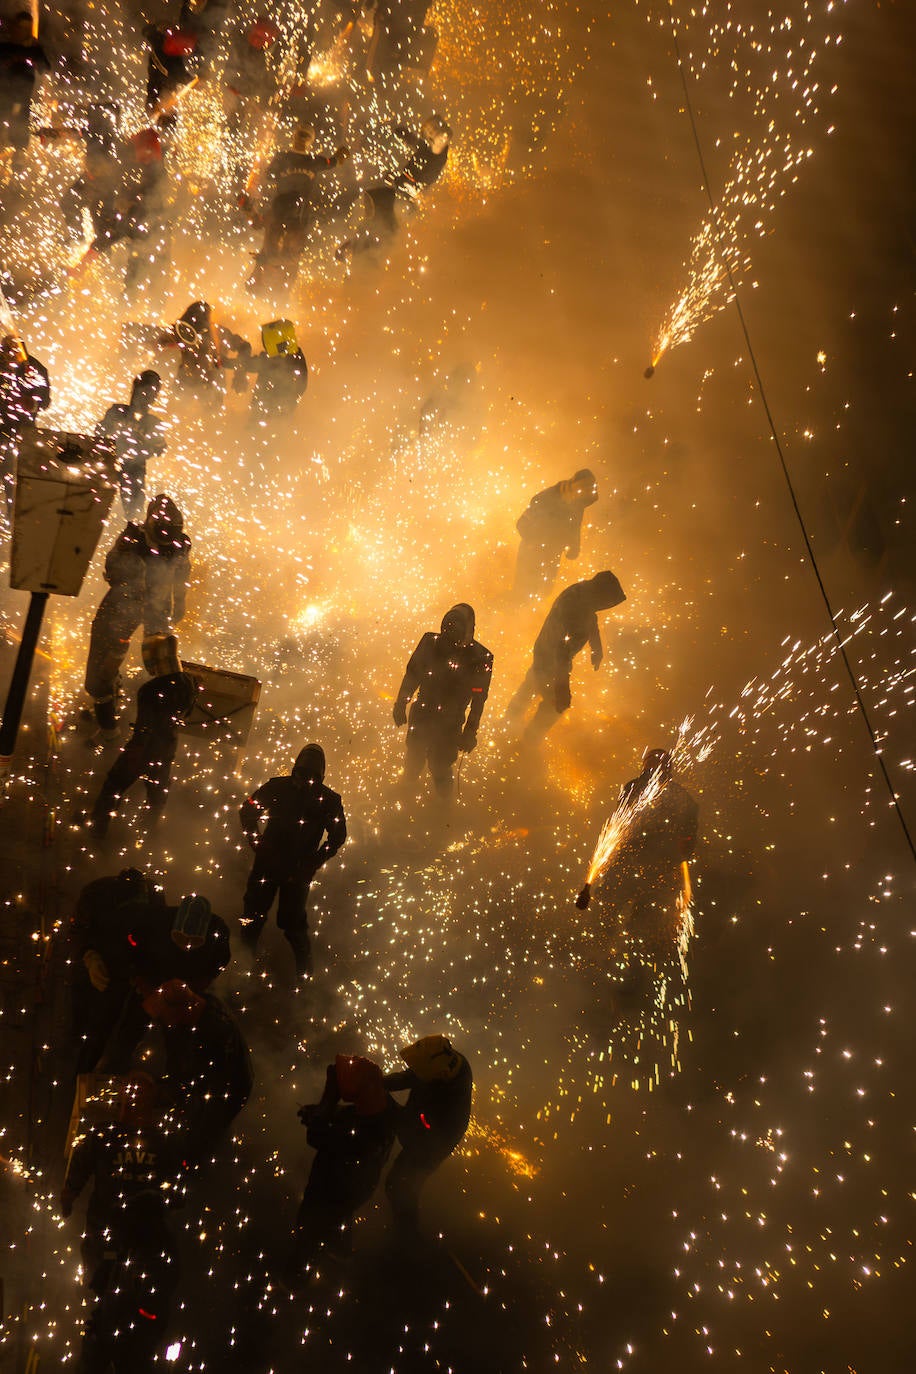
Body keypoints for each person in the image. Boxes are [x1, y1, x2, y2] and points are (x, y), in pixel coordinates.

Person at [83, 497, 191, 735]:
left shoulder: (180, 544)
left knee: (165, 669)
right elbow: (111, 569)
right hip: (121, 606)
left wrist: (179, 604)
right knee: (100, 670)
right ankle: (108, 724)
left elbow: (182, 577)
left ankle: (159, 729)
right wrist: (131, 568)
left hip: (157, 608)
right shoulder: (132, 537)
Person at [239, 743, 347, 978]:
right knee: (253, 917)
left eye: (311, 777)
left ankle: (304, 972)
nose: (306, 781)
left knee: (290, 923)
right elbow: (247, 812)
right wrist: (257, 842)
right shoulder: (278, 787)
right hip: (271, 865)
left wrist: (314, 861)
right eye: (302, 775)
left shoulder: (328, 800)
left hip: (296, 871)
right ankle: (241, 965)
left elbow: (338, 836)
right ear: (294, 770)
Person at [292, 1055, 396, 1269]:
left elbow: (316, 1137)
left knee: (311, 1226)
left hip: (334, 1188)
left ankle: (295, 1276)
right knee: (342, 1215)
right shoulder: (382, 1105)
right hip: (357, 1187)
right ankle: (340, 1250)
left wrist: (327, 1102)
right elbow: (351, 1114)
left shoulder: (358, 1136)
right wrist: (323, 1111)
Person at [576, 748, 699, 923]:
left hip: (646, 859)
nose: (650, 766)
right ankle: (606, 935)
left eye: (653, 762)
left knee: (619, 907)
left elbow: (688, 829)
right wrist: (682, 853)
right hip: (644, 859)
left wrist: (681, 852)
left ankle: (603, 936)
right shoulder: (678, 794)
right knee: (629, 909)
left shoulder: (639, 787)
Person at [90, 635, 195, 836]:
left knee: (113, 786)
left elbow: (144, 726)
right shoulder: (188, 682)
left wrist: (135, 751)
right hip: (167, 748)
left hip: (143, 749)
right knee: (156, 799)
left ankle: (96, 832)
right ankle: (147, 839)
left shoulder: (150, 690)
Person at [506, 571, 626, 743]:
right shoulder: (577, 606)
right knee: (554, 704)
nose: (607, 605)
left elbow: (591, 620)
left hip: (545, 650)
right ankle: (527, 742)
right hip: (550, 658)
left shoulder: (583, 594)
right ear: (601, 594)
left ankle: (508, 721)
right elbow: (562, 651)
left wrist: (596, 648)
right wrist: (562, 688)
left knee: (532, 683)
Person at [141, 980, 252, 1163]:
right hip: (204, 1081)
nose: (161, 1021)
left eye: (163, 1016)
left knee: (201, 1137)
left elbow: (210, 1094)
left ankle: (198, 1168)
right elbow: (176, 1062)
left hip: (226, 1093)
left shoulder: (216, 1033)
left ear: (181, 1010)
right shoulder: (183, 1017)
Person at [393, 604, 493, 799]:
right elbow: (413, 675)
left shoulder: (480, 657)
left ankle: (442, 809)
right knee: (414, 758)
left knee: (440, 767)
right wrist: (400, 704)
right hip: (422, 714)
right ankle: (406, 793)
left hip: (450, 723)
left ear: (467, 630)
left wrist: (470, 731)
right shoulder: (431, 642)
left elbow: (479, 699)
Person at [71, 868, 164, 1071]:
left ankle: (116, 1069)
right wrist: (89, 955)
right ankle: (83, 1074)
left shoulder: (155, 899)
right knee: (97, 1026)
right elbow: (78, 929)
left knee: (131, 1030)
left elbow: (157, 934)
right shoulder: (94, 896)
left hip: (137, 967)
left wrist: (145, 972)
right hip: (107, 964)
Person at [384, 1035, 472, 1233]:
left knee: (399, 1185)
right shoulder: (444, 1061)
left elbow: (414, 1127)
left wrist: (386, 1106)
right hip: (425, 1127)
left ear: (438, 1074)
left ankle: (408, 1238)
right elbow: (411, 1076)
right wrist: (379, 1082)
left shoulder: (445, 1104)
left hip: (434, 1142)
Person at [248, 126, 349, 292]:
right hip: (282, 212)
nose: (302, 139)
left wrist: (339, 157)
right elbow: (269, 175)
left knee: (289, 254)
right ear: (295, 137)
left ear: (309, 140)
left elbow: (331, 163)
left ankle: (282, 290)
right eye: (301, 135)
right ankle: (260, 283)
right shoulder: (289, 158)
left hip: (298, 216)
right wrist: (338, 157)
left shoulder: (311, 161)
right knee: (273, 249)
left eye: (305, 136)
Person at [513, 469, 598, 601]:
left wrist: (574, 547)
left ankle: (532, 619)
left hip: (552, 553)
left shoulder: (577, 501)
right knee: (524, 592)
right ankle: (514, 618)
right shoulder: (545, 499)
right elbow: (521, 524)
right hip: (532, 553)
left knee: (545, 591)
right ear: (577, 487)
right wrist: (535, 543)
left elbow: (574, 527)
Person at [96, 371, 167, 519]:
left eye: (149, 393)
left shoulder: (153, 423)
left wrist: (142, 452)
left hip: (134, 472)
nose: (144, 396)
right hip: (109, 466)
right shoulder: (117, 411)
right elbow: (99, 433)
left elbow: (159, 449)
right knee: (99, 508)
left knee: (132, 514)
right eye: (143, 391)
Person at [158, 300, 251, 404]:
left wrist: (240, 374)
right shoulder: (181, 330)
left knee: (210, 415)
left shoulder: (219, 332)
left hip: (212, 387)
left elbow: (245, 347)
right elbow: (159, 341)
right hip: (184, 383)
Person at [0, 332, 50, 518]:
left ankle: (13, 519)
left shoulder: (35, 369)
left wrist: (33, 403)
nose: (7, 356)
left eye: (11, 352)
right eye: (4, 351)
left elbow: (45, 401)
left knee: (14, 476)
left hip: (22, 432)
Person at [0, 11, 50, 168]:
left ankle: (19, 158)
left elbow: (45, 68)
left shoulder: (34, 50)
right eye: (20, 27)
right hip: (4, 94)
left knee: (20, 121)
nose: (22, 31)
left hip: (22, 95)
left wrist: (37, 61)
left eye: (26, 28)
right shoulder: (5, 47)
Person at [239, 318, 308, 422]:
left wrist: (226, 361)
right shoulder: (295, 356)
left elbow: (249, 364)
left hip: (269, 416)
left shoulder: (274, 360)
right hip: (279, 415)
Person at [144, 23, 199, 126]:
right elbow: (173, 73)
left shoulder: (165, 51)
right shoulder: (161, 52)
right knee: (165, 128)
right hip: (160, 100)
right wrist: (191, 81)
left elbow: (176, 70)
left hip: (162, 97)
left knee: (165, 126)